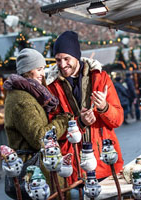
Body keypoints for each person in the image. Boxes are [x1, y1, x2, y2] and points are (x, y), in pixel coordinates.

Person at [46, 31, 124, 187]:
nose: (62, 64)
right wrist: (79, 123)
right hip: (74, 167)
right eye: (58, 60)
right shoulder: (51, 87)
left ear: (76, 56)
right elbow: (52, 130)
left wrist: (104, 108)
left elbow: (118, 120)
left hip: (104, 162)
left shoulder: (101, 78)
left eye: (66, 59)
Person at [3, 48, 71, 198]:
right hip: (35, 172)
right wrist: (63, 120)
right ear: (27, 71)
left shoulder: (27, 93)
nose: (42, 74)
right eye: (39, 69)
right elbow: (40, 138)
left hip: (38, 169)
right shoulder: (21, 100)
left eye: (43, 69)